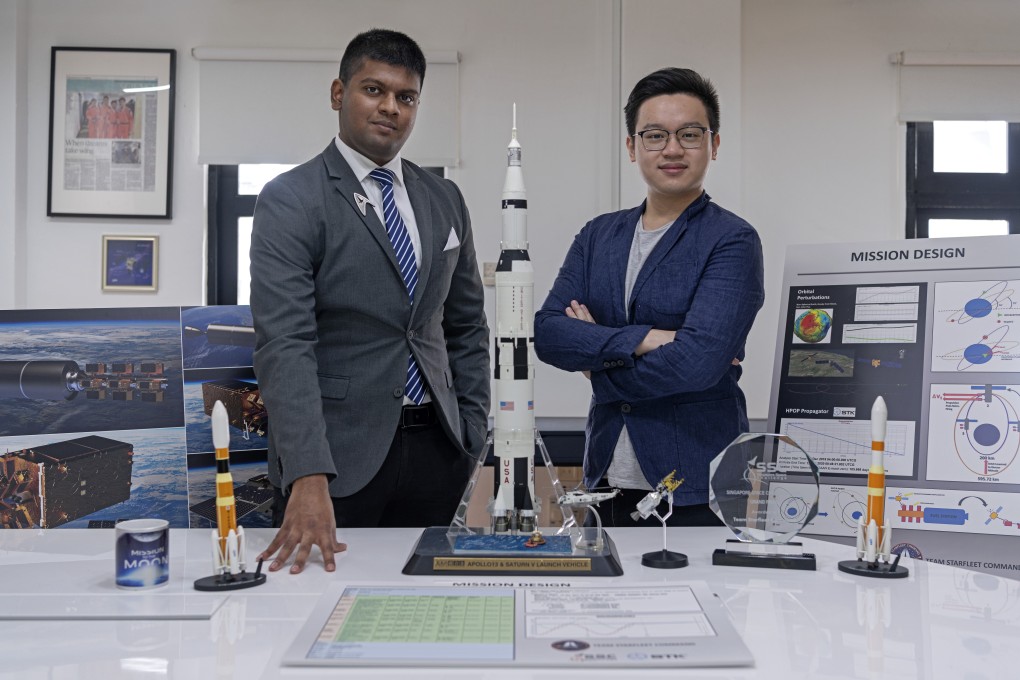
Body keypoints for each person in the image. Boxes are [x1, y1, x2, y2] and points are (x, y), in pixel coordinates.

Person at [250, 29, 490, 574]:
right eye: (373, 90)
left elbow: (467, 327)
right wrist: (307, 473)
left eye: (405, 97)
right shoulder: (292, 198)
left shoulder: (444, 198)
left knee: (426, 611)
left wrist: (473, 435)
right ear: (338, 93)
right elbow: (285, 345)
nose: (390, 108)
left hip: (439, 448)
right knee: (318, 609)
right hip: (339, 458)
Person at [533, 67, 764, 528]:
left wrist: (597, 354)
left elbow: (698, 361)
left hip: (695, 482)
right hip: (605, 477)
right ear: (632, 146)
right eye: (655, 135)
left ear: (713, 145)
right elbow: (548, 334)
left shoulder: (732, 239)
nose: (672, 149)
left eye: (690, 134)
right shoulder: (599, 235)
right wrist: (651, 338)